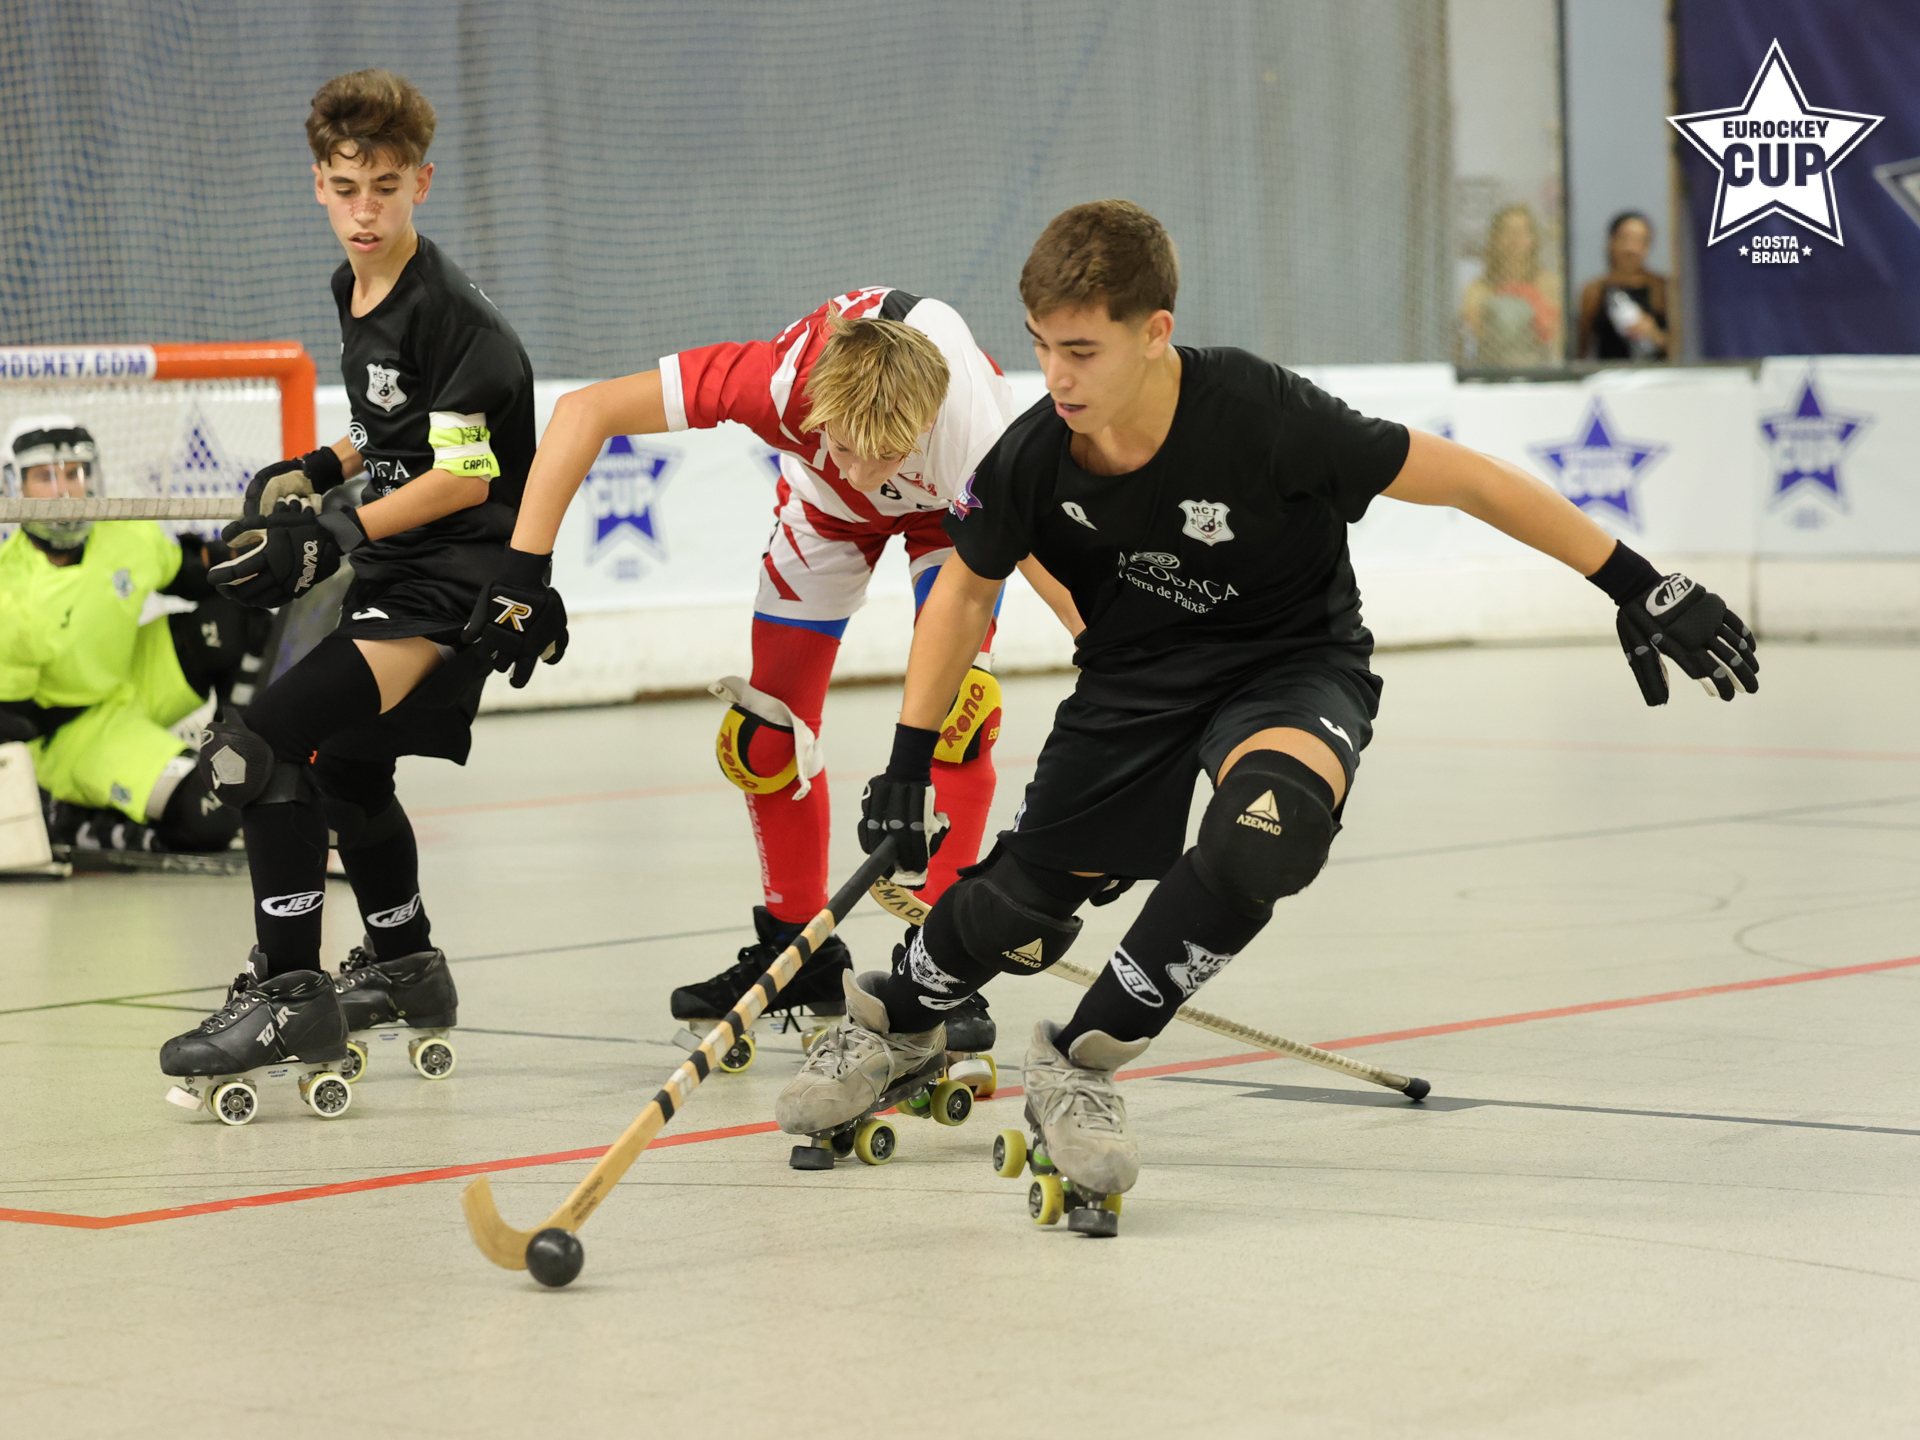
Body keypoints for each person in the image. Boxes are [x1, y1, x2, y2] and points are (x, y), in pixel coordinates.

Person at [775, 200, 1758, 1217]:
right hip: (1133, 682)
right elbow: (966, 593)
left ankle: (1078, 1063)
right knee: (1017, 909)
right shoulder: (1031, 455)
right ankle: (897, 1023)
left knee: (1267, 834)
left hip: (1292, 668)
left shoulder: (1262, 413)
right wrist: (908, 760)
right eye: (1041, 348)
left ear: (1155, 332)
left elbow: (1467, 480)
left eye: (1082, 350)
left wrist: (1637, 582)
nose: (1056, 377)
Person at [467, 289, 1080, 1057]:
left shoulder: (973, 431)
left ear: (925, 423)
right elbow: (585, 410)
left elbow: (1037, 555)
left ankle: (942, 966)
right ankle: (800, 949)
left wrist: (1105, 650)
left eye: (885, 454)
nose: (866, 473)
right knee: (764, 737)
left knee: (960, 718)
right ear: (816, 407)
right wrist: (522, 571)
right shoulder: (777, 382)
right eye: (845, 446)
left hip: (951, 511)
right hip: (825, 512)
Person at [156, 68, 536, 1121]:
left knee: (258, 744)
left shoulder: (454, 319)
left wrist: (337, 532)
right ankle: (407, 966)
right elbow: (392, 426)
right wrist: (320, 468)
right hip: (406, 569)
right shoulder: (354, 285)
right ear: (317, 184)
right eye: (344, 187)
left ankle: (290, 993)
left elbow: (462, 476)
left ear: (422, 183)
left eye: (385, 188)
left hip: (455, 585)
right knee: (347, 769)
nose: (364, 211)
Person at [0, 416, 255, 856]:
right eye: (44, 477)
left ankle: (249, 750)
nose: (64, 492)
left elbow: (193, 574)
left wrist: (246, 553)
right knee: (213, 812)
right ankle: (72, 817)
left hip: (130, 680)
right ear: (13, 487)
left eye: (74, 473)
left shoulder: (124, 532)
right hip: (73, 734)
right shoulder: (10, 592)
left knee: (239, 617)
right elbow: (12, 725)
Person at [1459, 203, 1562, 367]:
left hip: (1540, 370)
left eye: (1522, 232)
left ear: (1533, 239)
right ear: (1495, 239)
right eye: (1507, 231)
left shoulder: (1550, 284)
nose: (1515, 239)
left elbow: (1558, 336)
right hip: (1492, 370)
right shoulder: (1479, 288)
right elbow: (1472, 331)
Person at [1576, 211, 1670, 361]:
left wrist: (1655, 335)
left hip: (1654, 373)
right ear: (1611, 242)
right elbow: (1581, 348)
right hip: (1610, 373)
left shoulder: (1661, 289)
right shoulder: (1594, 291)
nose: (1630, 249)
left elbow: (1683, 347)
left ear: (1647, 246)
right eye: (1624, 239)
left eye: (1639, 241)